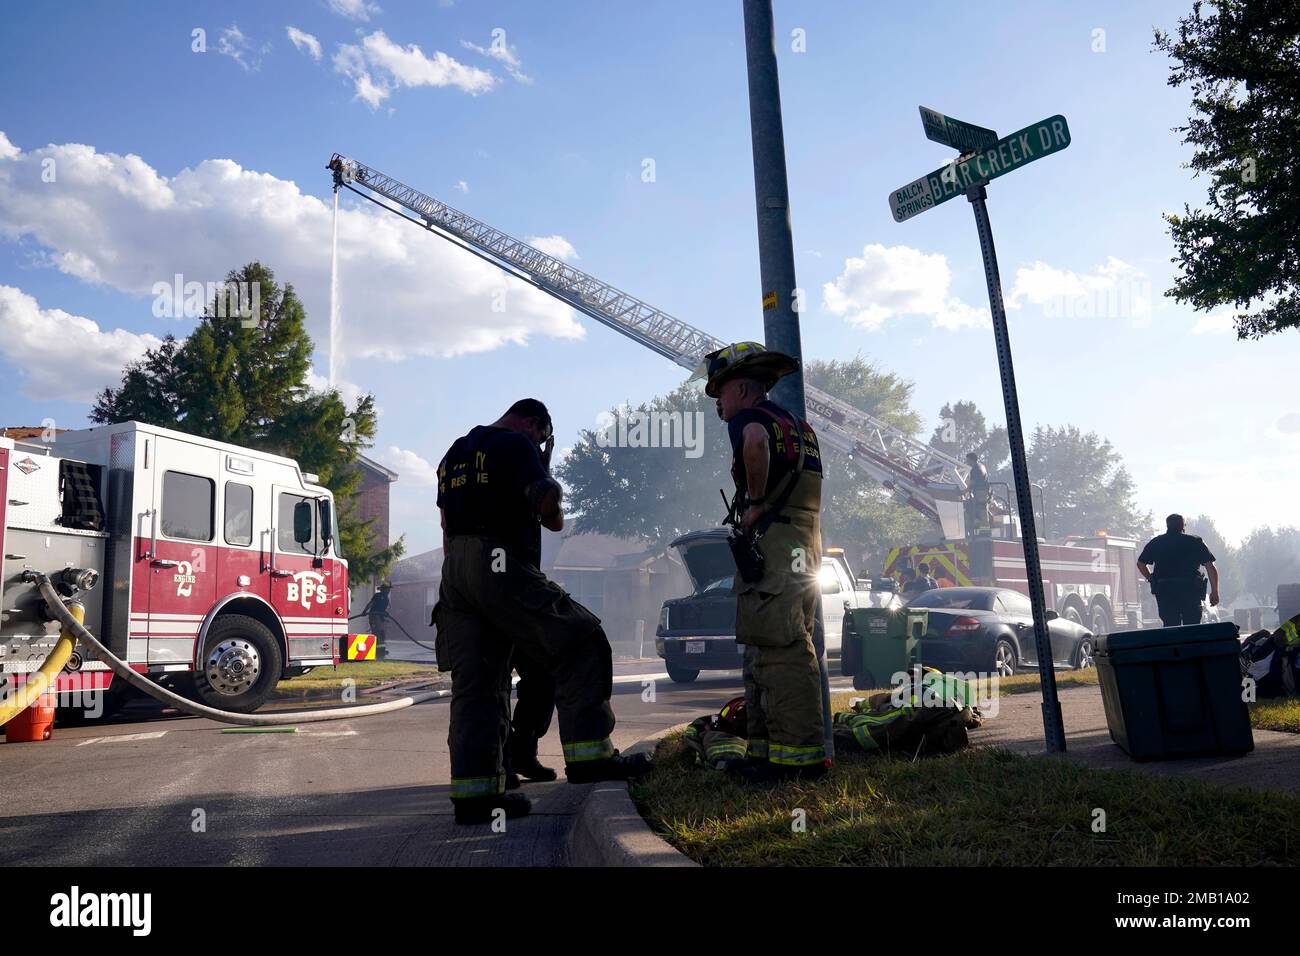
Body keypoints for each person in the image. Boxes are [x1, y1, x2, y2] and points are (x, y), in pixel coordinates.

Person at [433, 398, 651, 825]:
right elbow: (551, 512)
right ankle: (591, 758)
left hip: (455, 570)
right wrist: (543, 466)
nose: (540, 443)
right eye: (543, 436)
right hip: (498, 559)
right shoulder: (517, 445)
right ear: (535, 424)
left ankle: (477, 797)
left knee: (478, 682)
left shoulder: (455, 453)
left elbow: (445, 526)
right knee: (582, 638)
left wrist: (466, 585)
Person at [705, 342, 827, 783]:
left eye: (719, 391)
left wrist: (754, 505)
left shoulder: (749, 421)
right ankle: (766, 752)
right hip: (803, 542)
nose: (717, 401)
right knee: (768, 643)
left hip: (776, 542)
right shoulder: (798, 426)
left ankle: (797, 761)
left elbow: (754, 443)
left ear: (741, 389)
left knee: (781, 649)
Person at [1137, 514, 1220, 627]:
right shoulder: (1195, 541)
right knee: (1192, 626)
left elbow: (1141, 564)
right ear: (1182, 526)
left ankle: (1174, 644)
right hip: (1190, 590)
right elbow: (1210, 566)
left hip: (1165, 592)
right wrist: (1214, 592)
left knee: (1171, 626)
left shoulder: (1156, 542)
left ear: (1167, 526)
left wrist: (1151, 578)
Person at [361, 583, 392, 659]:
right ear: (383, 589)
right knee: (377, 633)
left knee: (382, 633)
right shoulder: (377, 596)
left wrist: (385, 614)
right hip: (374, 616)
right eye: (387, 589)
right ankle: (376, 651)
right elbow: (371, 604)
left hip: (380, 617)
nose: (388, 590)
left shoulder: (386, 598)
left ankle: (381, 650)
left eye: (389, 589)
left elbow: (383, 609)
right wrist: (364, 611)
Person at [964, 452, 990, 533]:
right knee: (981, 511)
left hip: (980, 492)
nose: (966, 462)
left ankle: (984, 532)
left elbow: (972, 484)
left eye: (967, 460)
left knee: (981, 512)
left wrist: (963, 492)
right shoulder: (981, 466)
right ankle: (982, 531)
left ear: (971, 460)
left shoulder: (975, 469)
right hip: (984, 492)